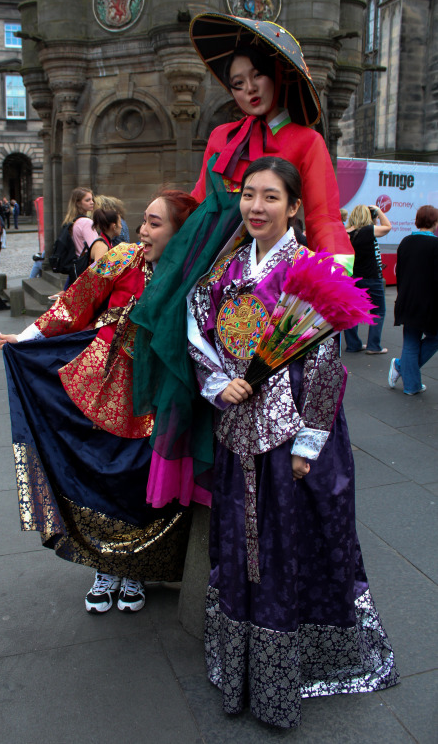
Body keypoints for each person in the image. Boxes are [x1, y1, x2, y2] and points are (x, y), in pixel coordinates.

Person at [188, 156, 399, 729]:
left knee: (290, 541)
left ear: (294, 206)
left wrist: (308, 444)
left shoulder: (309, 269)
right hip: (237, 428)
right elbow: (198, 328)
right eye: (249, 195)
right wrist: (216, 380)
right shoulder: (227, 271)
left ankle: (295, 668)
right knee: (239, 544)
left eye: (271, 197)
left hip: (295, 438)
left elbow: (327, 365)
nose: (256, 207)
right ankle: (245, 667)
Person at [130, 12, 354, 508]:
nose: (248, 89)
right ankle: (203, 492)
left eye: (256, 76)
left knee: (274, 389)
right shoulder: (220, 138)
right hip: (211, 275)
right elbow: (194, 205)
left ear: (279, 75)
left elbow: (321, 216)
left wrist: (332, 288)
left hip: (274, 282)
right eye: (236, 83)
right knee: (188, 366)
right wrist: (155, 238)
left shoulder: (307, 141)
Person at [0, 189, 199, 615]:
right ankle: (103, 566)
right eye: (143, 220)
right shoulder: (121, 257)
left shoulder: (190, 276)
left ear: (179, 233)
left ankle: (134, 570)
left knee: (139, 482)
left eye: (155, 223)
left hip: (157, 394)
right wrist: (27, 338)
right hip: (102, 382)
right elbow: (76, 303)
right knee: (98, 473)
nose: (143, 230)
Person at [388, 205, 438, 395]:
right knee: (433, 338)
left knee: (410, 341)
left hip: (407, 299)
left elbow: (400, 273)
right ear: (434, 222)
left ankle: (411, 383)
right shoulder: (435, 245)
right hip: (428, 302)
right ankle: (402, 369)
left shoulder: (406, 242)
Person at [344, 204, 391, 354]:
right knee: (378, 310)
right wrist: (378, 209)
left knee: (352, 312)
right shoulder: (369, 230)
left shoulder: (346, 232)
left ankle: (353, 344)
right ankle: (373, 346)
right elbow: (387, 226)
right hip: (371, 277)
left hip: (353, 278)